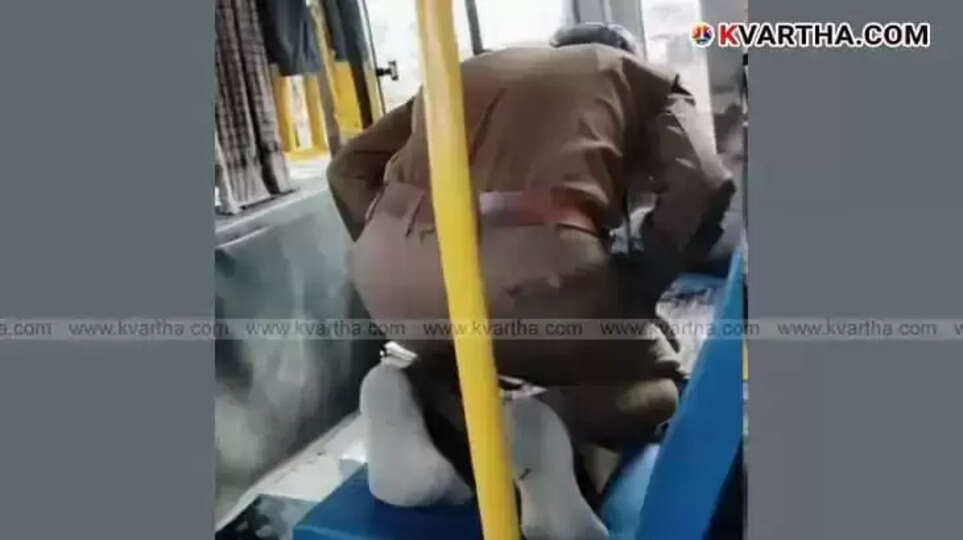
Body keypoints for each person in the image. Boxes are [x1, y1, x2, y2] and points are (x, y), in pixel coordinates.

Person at [327, 23, 734, 540]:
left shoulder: (464, 69)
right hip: (534, 274)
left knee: (467, 354)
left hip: (389, 277)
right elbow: (705, 181)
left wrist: (396, 248)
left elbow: (347, 166)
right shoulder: (644, 77)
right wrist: (642, 276)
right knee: (660, 383)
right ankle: (550, 423)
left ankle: (410, 389)